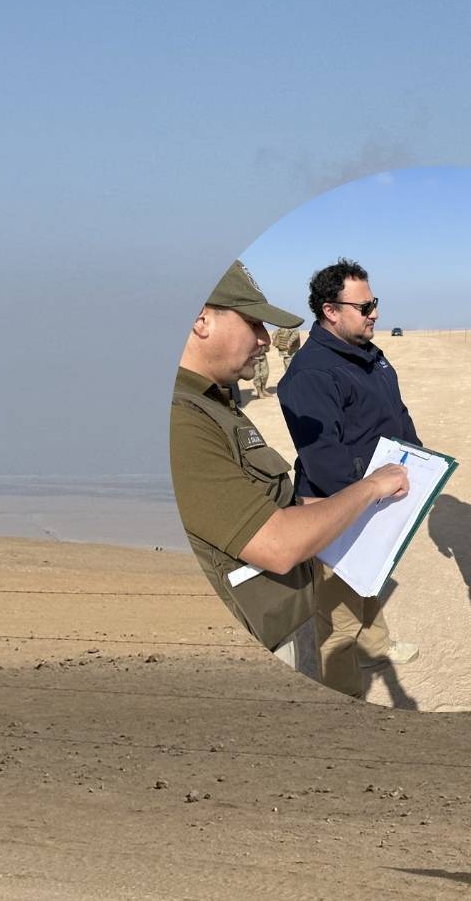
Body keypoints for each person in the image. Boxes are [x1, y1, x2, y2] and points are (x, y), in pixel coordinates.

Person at [170, 261, 409, 673]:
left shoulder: (212, 402)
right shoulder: (184, 418)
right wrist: (369, 490)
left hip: (302, 572)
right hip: (271, 615)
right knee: (337, 630)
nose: (265, 338)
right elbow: (278, 543)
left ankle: (376, 646)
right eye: (253, 323)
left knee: (363, 592)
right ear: (201, 321)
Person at [277, 258, 421, 695]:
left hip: (376, 493)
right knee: (338, 618)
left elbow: (396, 412)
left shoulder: (367, 352)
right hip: (335, 502)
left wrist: (418, 459)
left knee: (370, 575)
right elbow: (324, 461)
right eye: (364, 306)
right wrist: (374, 489)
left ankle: (375, 644)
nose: (374, 312)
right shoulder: (311, 373)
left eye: (374, 302)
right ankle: (345, 698)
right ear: (331, 311)